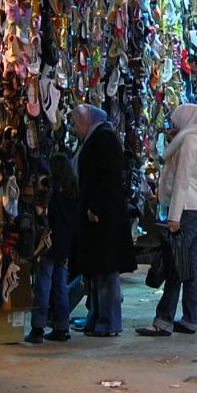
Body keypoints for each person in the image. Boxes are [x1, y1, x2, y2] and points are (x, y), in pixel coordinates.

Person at [139, 102, 197, 336]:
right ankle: (191, 318)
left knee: (175, 265)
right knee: (192, 266)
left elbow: (182, 180)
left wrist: (174, 216)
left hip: (188, 208)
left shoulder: (189, 141)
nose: (174, 127)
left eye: (176, 123)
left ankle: (163, 320)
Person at [71, 104, 135, 336]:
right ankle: (96, 318)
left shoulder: (104, 139)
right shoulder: (96, 137)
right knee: (97, 272)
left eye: (77, 123)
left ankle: (108, 322)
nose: (75, 128)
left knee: (106, 272)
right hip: (96, 217)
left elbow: (108, 178)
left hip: (104, 218)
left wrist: (95, 207)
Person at [29, 154, 82, 344]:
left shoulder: (52, 194)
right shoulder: (73, 192)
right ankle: (61, 327)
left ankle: (38, 327)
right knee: (60, 286)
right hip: (65, 245)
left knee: (43, 284)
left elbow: (46, 217)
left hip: (49, 244)